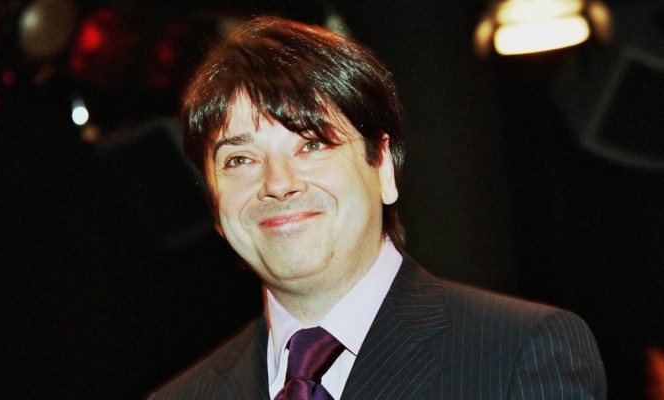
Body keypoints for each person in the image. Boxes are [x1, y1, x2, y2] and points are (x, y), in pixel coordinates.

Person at [150, 16, 606, 400]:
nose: (278, 183)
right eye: (240, 159)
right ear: (215, 203)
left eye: (312, 144)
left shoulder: (518, 353)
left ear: (382, 166)